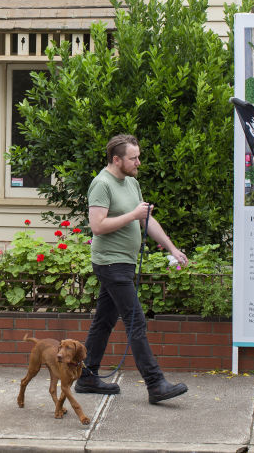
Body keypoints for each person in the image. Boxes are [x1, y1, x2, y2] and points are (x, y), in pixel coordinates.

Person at [74, 133, 190, 404]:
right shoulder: (101, 184)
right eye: (133, 158)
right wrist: (133, 215)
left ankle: (87, 376)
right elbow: (98, 226)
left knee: (103, 322)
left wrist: (172, 248)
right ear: (117, 159)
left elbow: (146, 219)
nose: (138, 162)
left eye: (138, 157)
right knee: (135, 320)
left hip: (124, 263)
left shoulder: (132, 183)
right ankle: (155, 383)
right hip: (110, 263)